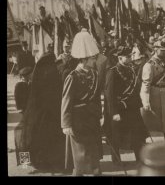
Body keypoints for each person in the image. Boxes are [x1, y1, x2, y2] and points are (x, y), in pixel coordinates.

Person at [61, 28, 103, 176]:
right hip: (78, 121)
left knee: (94, 156)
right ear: (84, 59)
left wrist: (99, 114)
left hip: (91, 119)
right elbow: (66, 101)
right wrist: (66, 124)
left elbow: (96, 96)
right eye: (92, 58)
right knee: (80, 158)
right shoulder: (72, 77)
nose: (95, 61)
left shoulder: (94, 74)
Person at [20, 41, 65, 171]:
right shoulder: (54, 73)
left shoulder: (40, 75)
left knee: (35, 137)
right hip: (54, 113)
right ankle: (56, 163)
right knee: (53, 139)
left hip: (40, 114)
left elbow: (35, 96)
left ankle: (32, 163)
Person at [104, 46, 149, 163]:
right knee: (117, 136)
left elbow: (135, 89)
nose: (130, 58)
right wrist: (114, 113)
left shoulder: (131, 69)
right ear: (119, 58)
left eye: (131, 55)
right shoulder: (112, 72)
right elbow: (109, 95)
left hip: (132, 108)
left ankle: (140, 159)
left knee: (137, 134)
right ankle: (116, 160)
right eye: (127, 56)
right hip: (120, 109)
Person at [140, 43, 165, 139]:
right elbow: (146, 83)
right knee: (149, 120)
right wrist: (145, 101)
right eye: (161, 50)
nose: (164, 52)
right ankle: (143, 141)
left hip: (164, 92)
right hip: (154, 94)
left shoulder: (163, 62)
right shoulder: (149, 65)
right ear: (155, 49)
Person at [14, 67, 33, 166]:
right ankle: (24, 162)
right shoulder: (21, 85)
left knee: (26, 137)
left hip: (29, 113)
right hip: (25, 113)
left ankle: (28, 160)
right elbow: (18, 101)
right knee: (23, 137)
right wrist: (23, 111)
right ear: (26, 76)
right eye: (30, 74)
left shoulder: (29, 84)